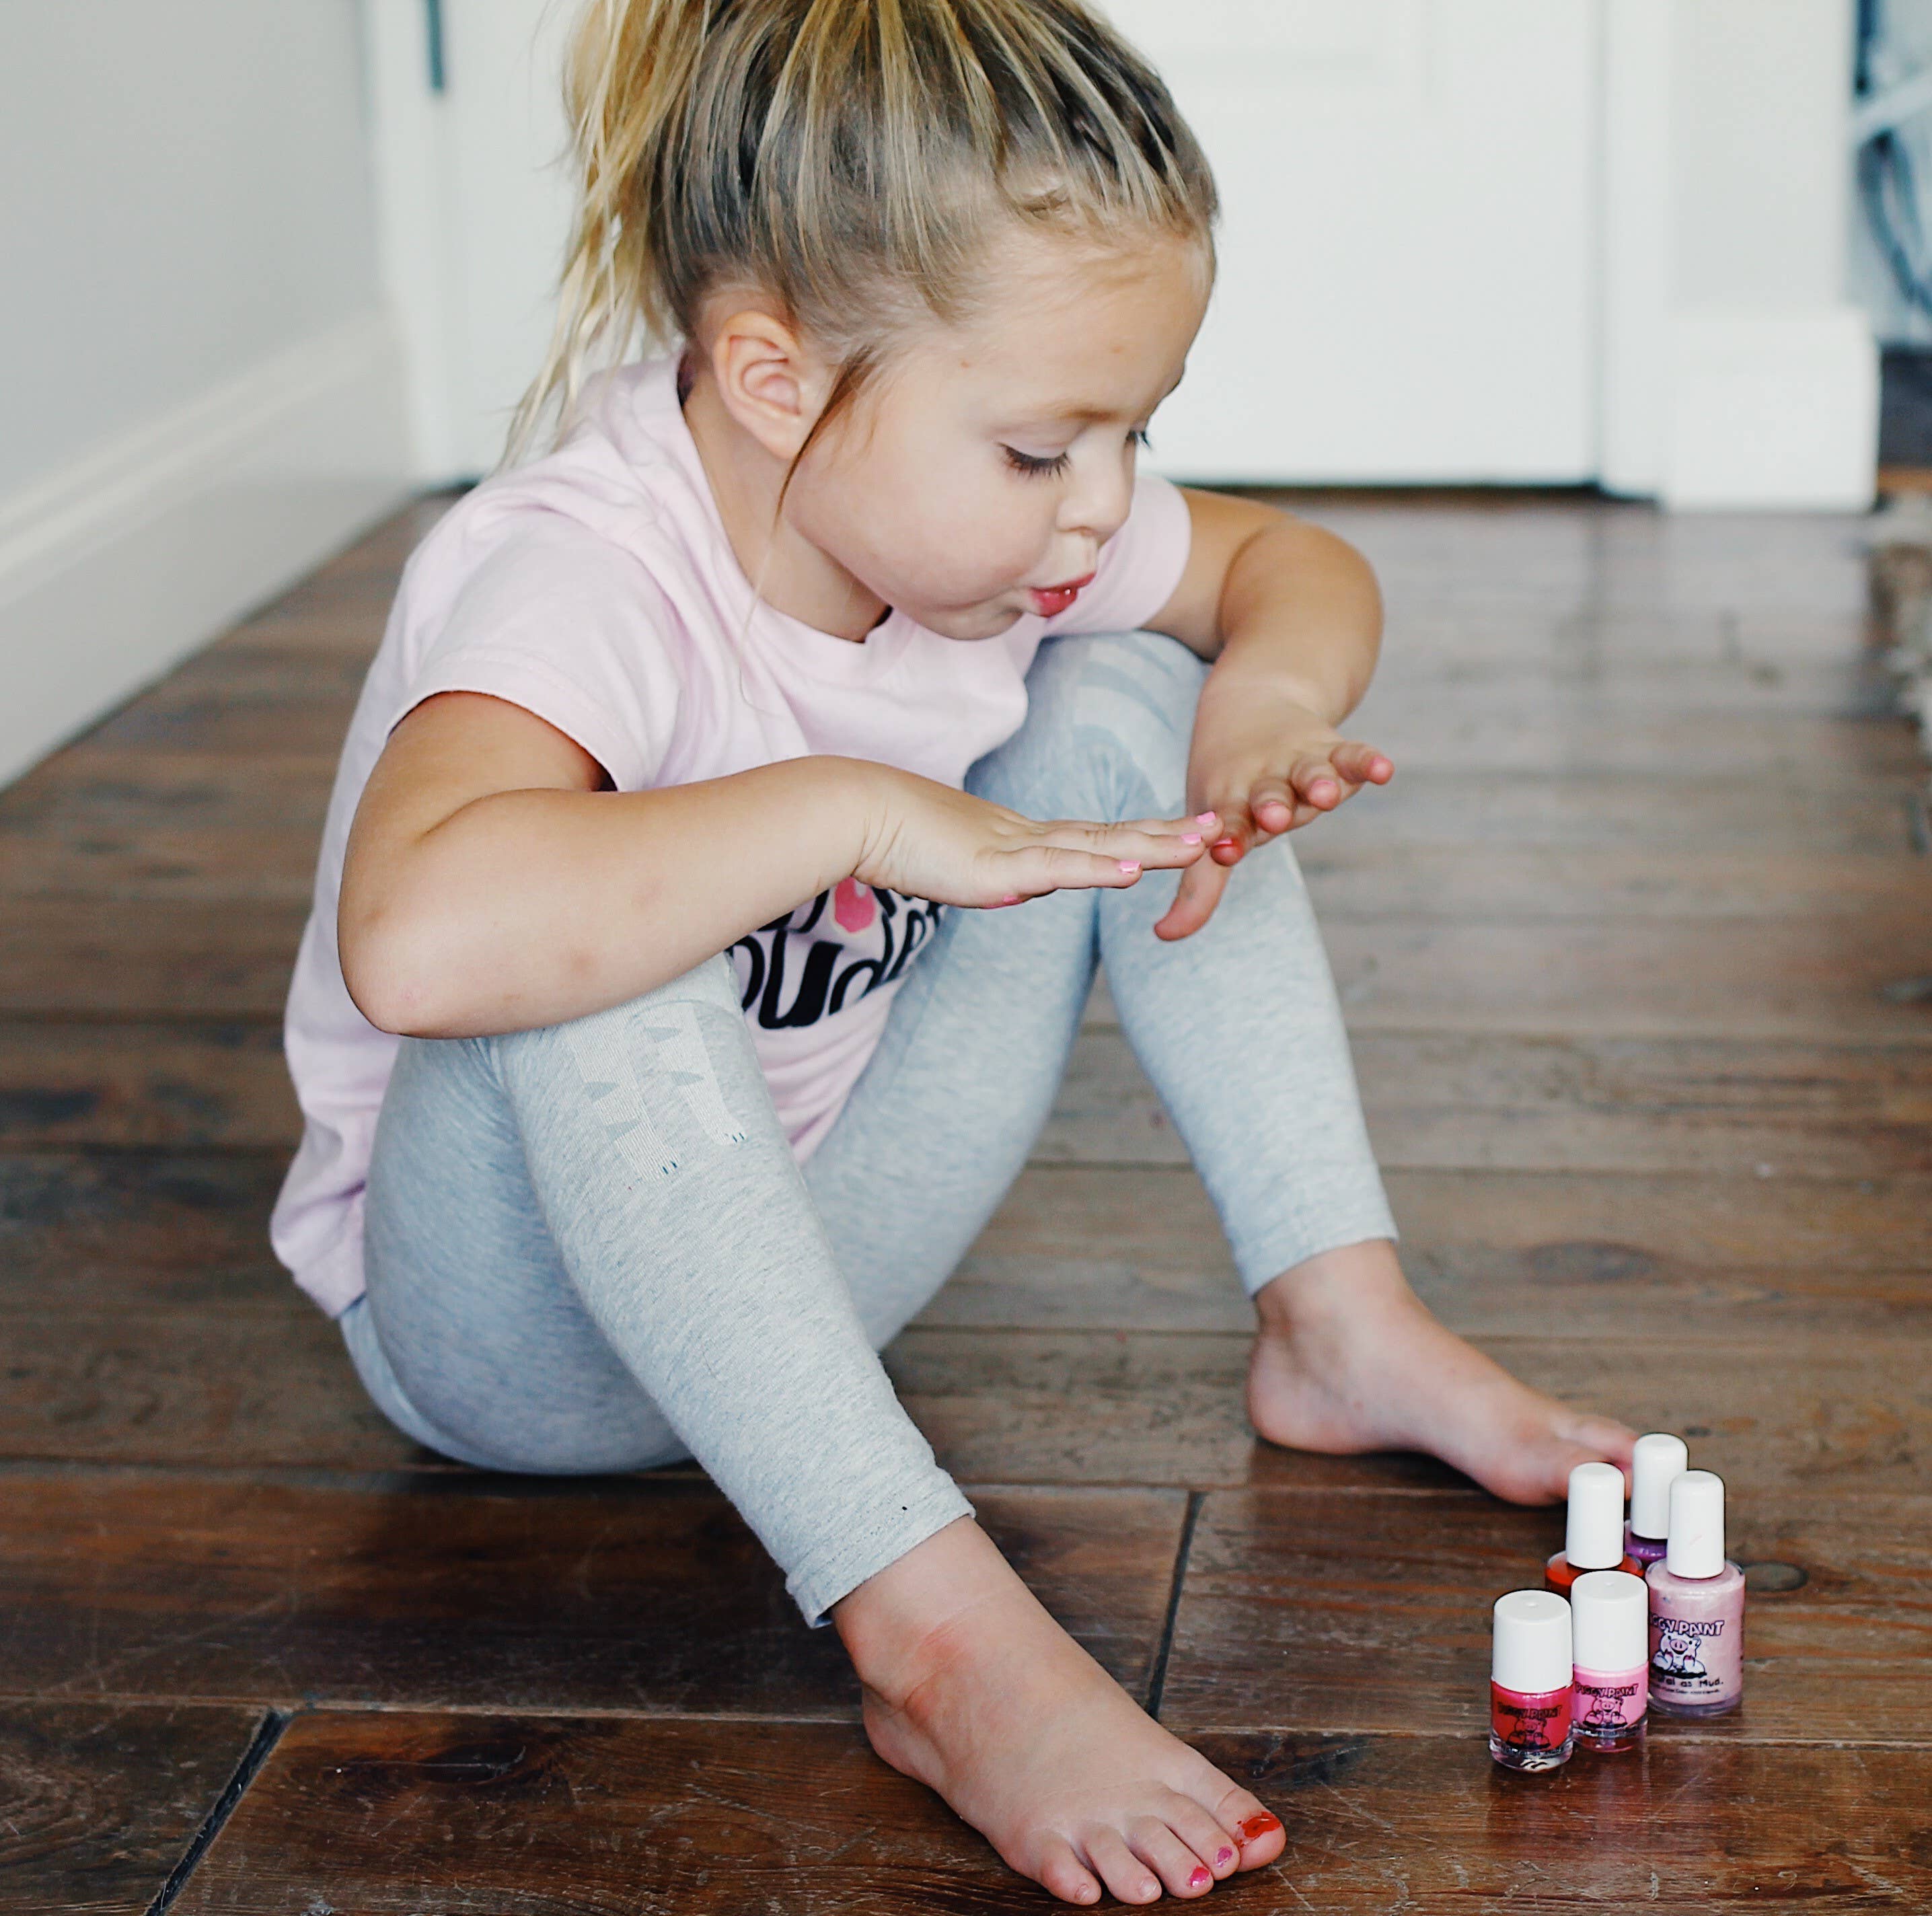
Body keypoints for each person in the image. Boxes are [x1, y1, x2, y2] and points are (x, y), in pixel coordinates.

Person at [271, 0, 1635, 1900]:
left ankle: (1339, 1322)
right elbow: (421, 938)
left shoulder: (985, 518)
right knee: (589, 931)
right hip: (518, 1352)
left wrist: (1263, 706)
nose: (1100, 498)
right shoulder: (582, 571)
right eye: (1041, 444)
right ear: (770, 378)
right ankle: (935, 1640)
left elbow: (1290, 568)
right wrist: (851, 806)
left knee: (1130, 695)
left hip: (808, 1279)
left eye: (1133, 431)